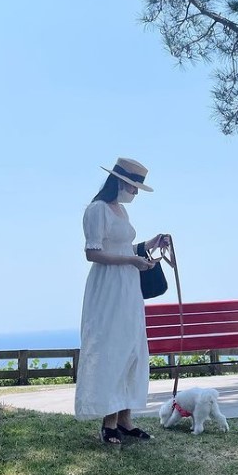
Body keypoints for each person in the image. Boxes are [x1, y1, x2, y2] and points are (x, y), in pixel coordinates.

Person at [74, 157, 170, 445]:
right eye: (134, 186)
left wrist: (147, 245)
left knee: (131, 350)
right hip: (108, 288)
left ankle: (126, 421)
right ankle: (109, 422)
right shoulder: (97, 209)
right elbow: (93, 253)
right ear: (120, 181)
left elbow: (123, 246)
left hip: (128, 287)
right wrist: (130, 259)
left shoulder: (121, 212)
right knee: (111, 348)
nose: (136, 193)